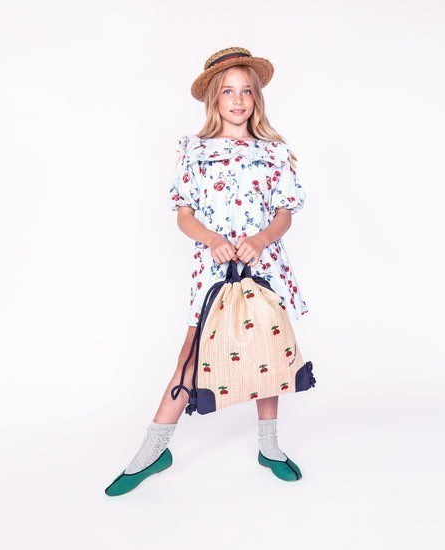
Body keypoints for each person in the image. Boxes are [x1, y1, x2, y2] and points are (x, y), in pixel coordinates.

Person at [105, 46, 309, 496]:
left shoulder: (274, 153)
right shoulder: (195, 152)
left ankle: (269, 448)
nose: (238, 100)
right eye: (228, 91)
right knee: (190, 355)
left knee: (268, 351)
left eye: (246, 91)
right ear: (214, 98)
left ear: (256, 98)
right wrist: (213, 239)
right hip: (214, 271)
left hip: (263, 266)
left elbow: (284, 213)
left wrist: (261, 239)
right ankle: (154, 450)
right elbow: (184, 215)